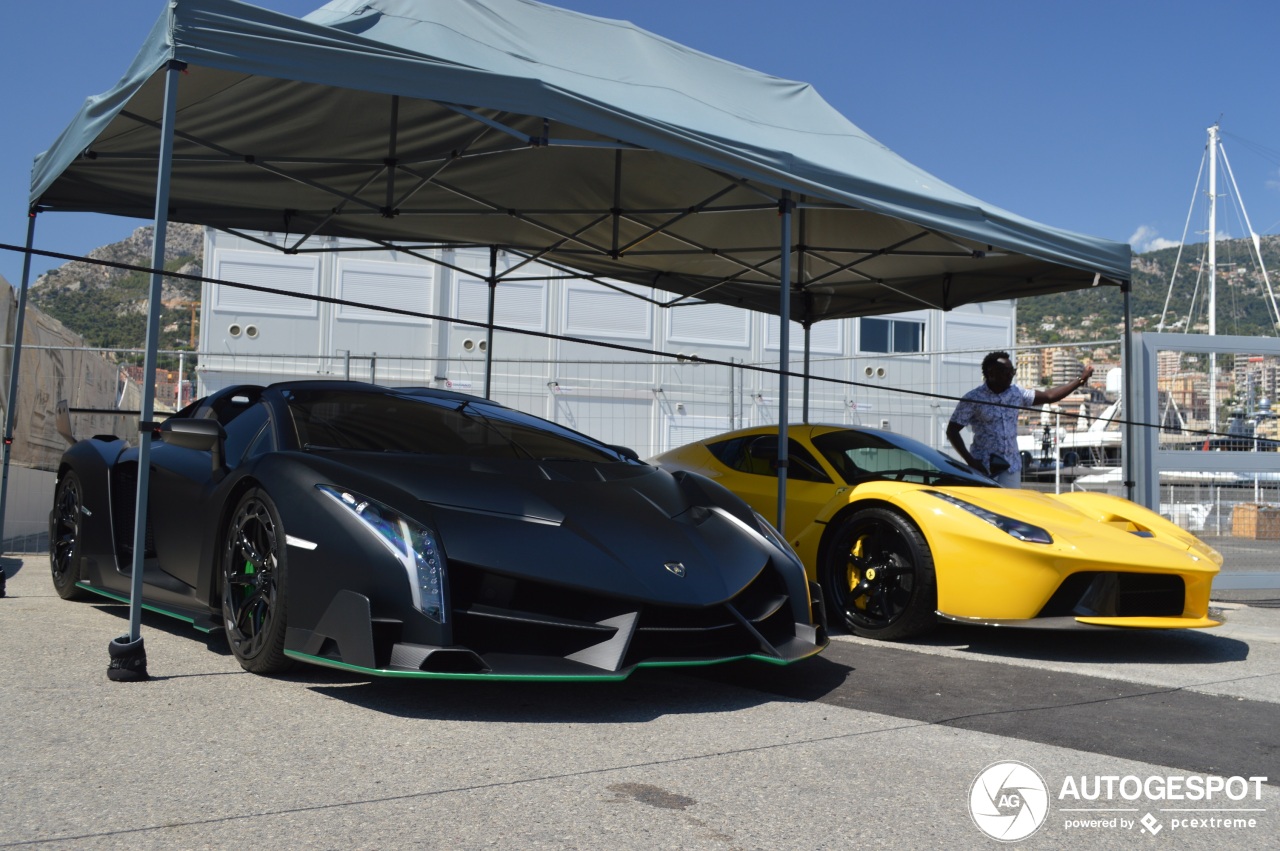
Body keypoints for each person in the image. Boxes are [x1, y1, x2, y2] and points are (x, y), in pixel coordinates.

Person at [946, 351, 1093, 487]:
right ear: (991, 373)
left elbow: (1049, 396)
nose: (1011, 375)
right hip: (984, 466)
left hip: (1012, 466)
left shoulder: (1016, 393)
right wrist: (970, 461)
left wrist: (1081, 380)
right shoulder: (973, 398)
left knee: (1011, 507)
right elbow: (952, 431)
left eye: (1013, 371)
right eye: (1006, 372)